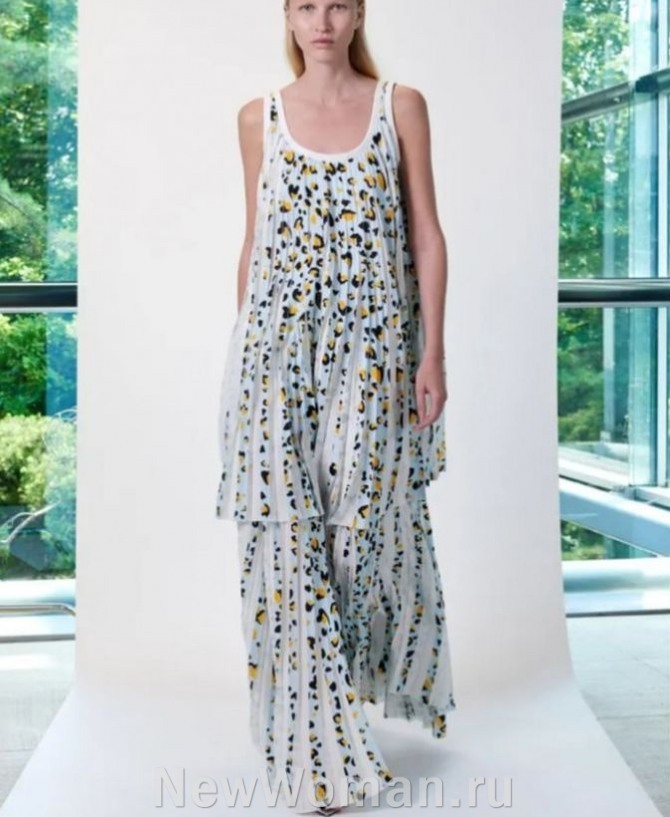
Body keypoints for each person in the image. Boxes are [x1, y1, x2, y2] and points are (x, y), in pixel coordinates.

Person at [215, 0, 456, 812]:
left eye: (337, 5)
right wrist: (247, 359)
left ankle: (334, 711)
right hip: (274, 356)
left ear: (358, 17)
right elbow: (255, 242)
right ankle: (315, 750)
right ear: (289, 18)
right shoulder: (257, 118)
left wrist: (431, 352)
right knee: (286, 547)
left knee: (358, 534)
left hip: (374, 352)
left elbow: (426, 235)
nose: (321, 20)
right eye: (306, 6)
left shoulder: (400, 106)